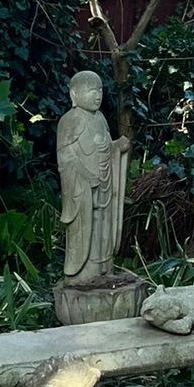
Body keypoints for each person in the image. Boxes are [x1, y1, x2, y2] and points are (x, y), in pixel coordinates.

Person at [57, 70, 127, 285]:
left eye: (99, 90)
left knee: (103, 225)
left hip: (104, 183)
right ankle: (86, 274)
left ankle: (105, 269)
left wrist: (117, 147)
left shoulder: (100, 118)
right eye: (90, 90)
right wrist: (87, 177)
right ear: (74, 94)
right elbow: (64, 156)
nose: (97, 95)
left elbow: (104, 148)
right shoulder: (70, 120)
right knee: (88, 225)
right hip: (83, 189)